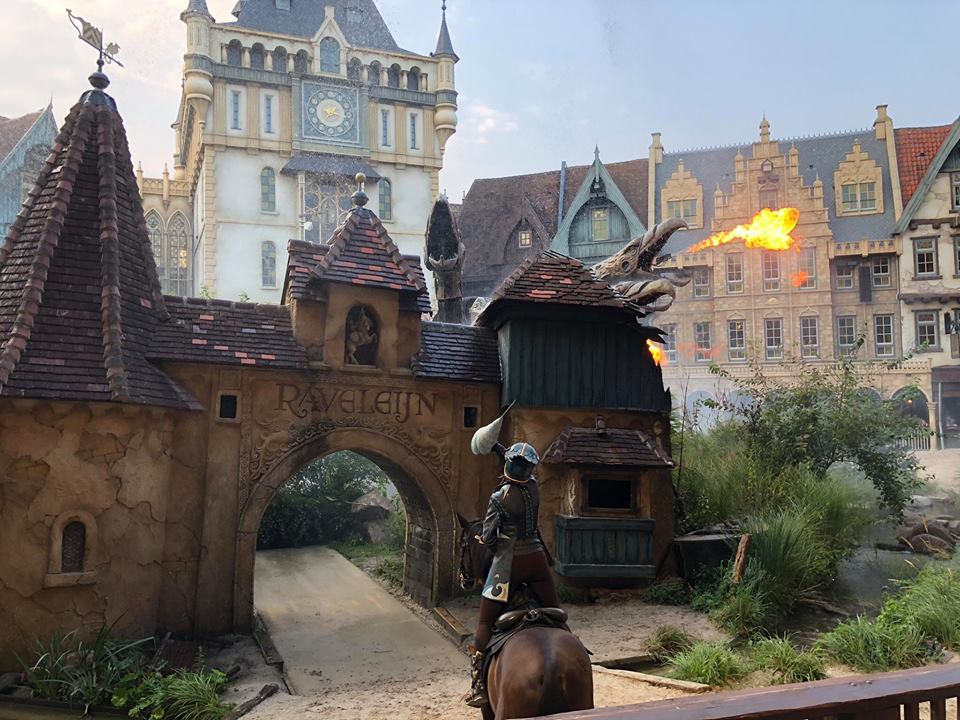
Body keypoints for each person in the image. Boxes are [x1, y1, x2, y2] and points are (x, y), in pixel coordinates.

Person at [462, 441, 560, 708]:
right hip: (537, 560)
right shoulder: (535, 488)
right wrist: (500, 448)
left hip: (509, 565)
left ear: (507, 466)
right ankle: (575, 645)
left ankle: (478, 685)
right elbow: (521, 471)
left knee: (484, 623)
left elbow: (490, 537)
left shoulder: (499, 497)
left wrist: (486, 541)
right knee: (556, 613)